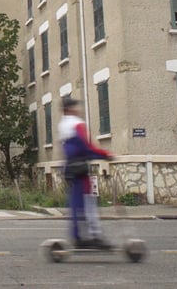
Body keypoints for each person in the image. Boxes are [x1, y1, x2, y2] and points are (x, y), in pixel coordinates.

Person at [58, 96, 114, 250]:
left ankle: (78, 236)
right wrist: (105, 154)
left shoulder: (62, 125)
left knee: (76, 204)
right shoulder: (77, 124)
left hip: (70, 168)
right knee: (89, 202)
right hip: (80, 168)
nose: (79, 109)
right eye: (76, 107)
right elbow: (87, 148)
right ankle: (94, 236)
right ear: (70, 109)